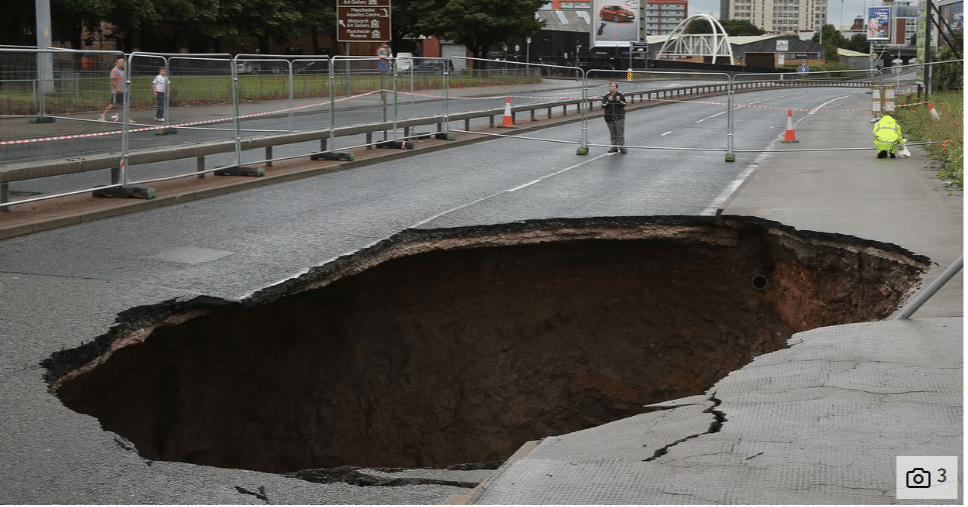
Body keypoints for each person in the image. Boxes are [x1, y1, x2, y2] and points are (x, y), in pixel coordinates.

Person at [602, 82, 627, 154]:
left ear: (616, 88)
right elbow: (603, 105)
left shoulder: (620, 95)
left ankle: (622, 148)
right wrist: (608, 101)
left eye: (614, 86)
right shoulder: (606, 96)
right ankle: (614, 147)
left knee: (620, 133)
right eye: (611, 86)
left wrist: (619, 101)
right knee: (612, 133)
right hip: (609, 117)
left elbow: (624, 104)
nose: (612, 88)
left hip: (619, 117)